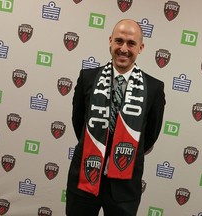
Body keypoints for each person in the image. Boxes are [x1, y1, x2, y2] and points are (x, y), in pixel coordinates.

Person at [66, 19, 166, 216]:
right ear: (110, 41)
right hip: (84, 179)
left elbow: (150, 136)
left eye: (131, 43)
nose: (124, 48)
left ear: (141, 47)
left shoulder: (154, 88)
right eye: (119, 41)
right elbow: (79, 123)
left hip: (125, 186)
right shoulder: (87, 77)